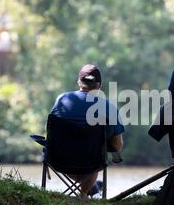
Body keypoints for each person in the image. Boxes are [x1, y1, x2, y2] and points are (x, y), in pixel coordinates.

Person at [50, 64, 124, 195]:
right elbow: (117, 146)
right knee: (95, 153)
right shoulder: (110, 108)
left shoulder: (61, 100)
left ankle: (90, 189)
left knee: (89, 153)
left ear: (79, 82)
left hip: (58, 159)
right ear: (99, 85)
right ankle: (83, 195)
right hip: (91, 163)